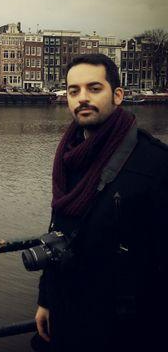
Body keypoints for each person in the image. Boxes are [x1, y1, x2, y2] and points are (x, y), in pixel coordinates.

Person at [34, 54, 168, 352]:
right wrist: (46, 299)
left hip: (122, 329)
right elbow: (59, 231)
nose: (82, 98)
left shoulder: (156, 163)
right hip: (67, 315)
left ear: (117, 95)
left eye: (94, 88)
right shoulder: (67, 157)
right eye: (74, 91)